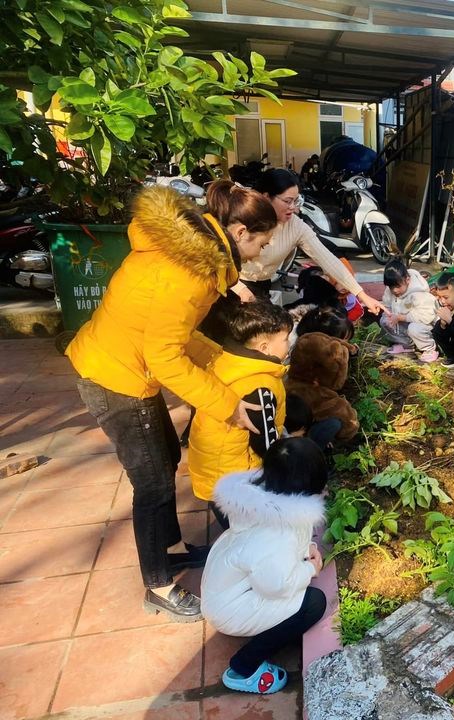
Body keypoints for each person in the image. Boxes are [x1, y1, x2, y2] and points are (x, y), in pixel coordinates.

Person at [67, 181, 277, 620]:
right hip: (116, 376)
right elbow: (165, 357)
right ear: (240, 232)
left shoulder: (194, 255)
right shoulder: (189, 272)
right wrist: (227, 405)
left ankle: (173, 547)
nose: (263, 250)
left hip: (126, 366)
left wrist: (220, 357)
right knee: (153, 484)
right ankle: (159, 585)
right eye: (262, 241)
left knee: (165, 458)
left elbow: (178, 336)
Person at [201, 438, 328, 696]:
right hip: (229, 609)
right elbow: (275, 586)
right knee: (314, 603)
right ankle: (243, 667)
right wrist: (309, 570)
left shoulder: (262, 502)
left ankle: (277, 628)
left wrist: (306, 550)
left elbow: (280, 552)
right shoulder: (277, 534)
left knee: (300, 593)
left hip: (231, 591)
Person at [188, 301, 294, 530]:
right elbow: (264, 444)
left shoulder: (229, 360)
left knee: (234, 529)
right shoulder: (260, 384)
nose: (289, 343)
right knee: (249, 532)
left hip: (214, 469)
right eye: (286, 339)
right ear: (265, 347)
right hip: (237, 480)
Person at [235, 168, 384, 315]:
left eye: (296, 201)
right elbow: (222, 260)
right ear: (266, 197)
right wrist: (240, 289)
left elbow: (328, 260)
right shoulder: (245, 218)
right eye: (287, 201)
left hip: (262, 287)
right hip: (232, 284)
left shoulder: (296, 226)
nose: (293, 207)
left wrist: (362, 295)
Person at [286, 308, 360, 446]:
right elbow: (336, 384)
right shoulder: (319, 353)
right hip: (302, 403)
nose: (345, 345)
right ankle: (311, 447)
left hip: (301, 397)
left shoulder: (305, 344)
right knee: (340, 420)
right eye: (343, 340)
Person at [379, 256, 439, 362]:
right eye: (391, 287)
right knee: (384, 320)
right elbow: (387, 304)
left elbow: (426, 317)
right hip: (405, 321)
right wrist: (388, 313)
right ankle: (405, 345)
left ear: (407, 280)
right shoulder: (391, 289)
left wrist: (400, 317)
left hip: (426, 325)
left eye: (397, 286)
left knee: (414, 328)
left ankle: (429, 349)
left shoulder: (418, 293)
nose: (394, 290)